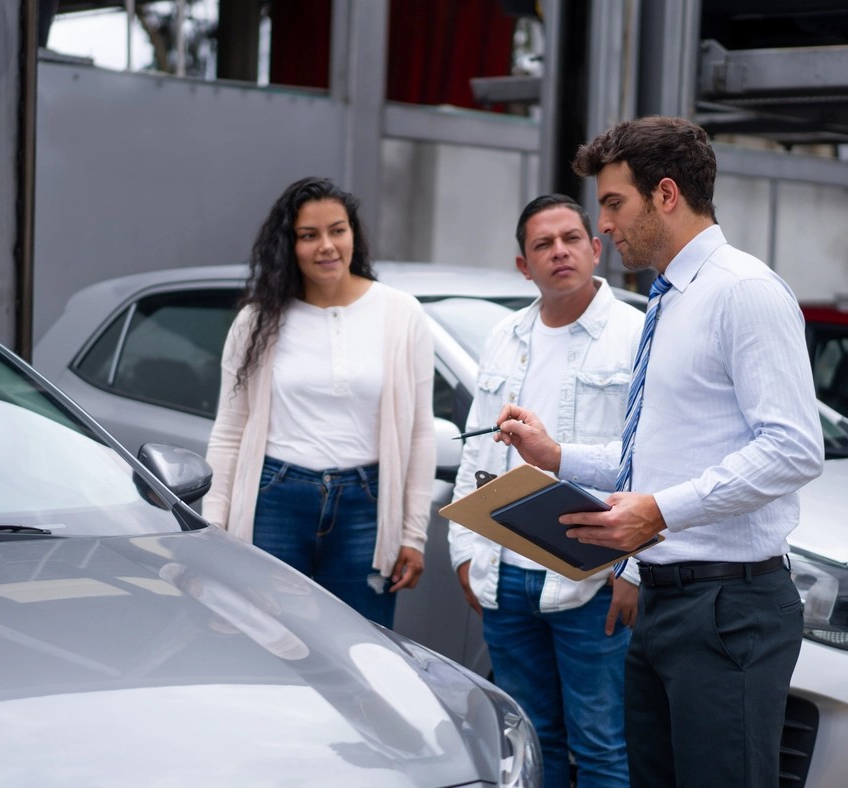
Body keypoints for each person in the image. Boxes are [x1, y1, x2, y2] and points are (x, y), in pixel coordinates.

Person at [494, 117, 824, 787]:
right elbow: (659, 456)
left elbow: (793, 448)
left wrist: (660, 513)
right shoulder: (671, 298)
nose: (604, 225)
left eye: (614, 203)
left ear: (666, 194)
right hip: (664, 603)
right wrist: (557, 457)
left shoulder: (743, 291)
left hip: (729, 610)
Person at [448, 194, 643, 788]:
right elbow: (475, 445)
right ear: (522, 265)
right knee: (531, 742)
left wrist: (631, 572)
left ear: (595, 248)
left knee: (604, 746)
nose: (559, 252)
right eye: (542, 244)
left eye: (570, 239)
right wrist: (462, 549)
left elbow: (653, 459)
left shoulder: (636, 335)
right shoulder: (505, 335)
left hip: (591, 574)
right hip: (504, 576)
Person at [201, 176, 435, 629]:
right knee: (267, 641)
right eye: (309, 235)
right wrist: (213, 526)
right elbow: (229, 431)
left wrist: (413, 533)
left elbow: (421, 430)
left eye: (337, 230)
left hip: (366, 506)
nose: (326, 246)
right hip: (275, 500)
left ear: (354, 234)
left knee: (363, 649)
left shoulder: (401, 313)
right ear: (289, 245)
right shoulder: (257, 321)